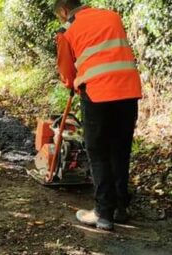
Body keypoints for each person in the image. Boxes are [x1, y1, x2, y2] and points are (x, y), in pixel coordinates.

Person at [54, 0, 142, 230]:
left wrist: (71, 84)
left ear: (63, 11)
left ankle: (103, 213)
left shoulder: (67, 31)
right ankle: (121, 207)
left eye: (60, 16)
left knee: (98, 151)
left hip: (98, 94)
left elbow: (66, 73)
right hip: (129, 90)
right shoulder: (111, 16)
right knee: (120, 149)